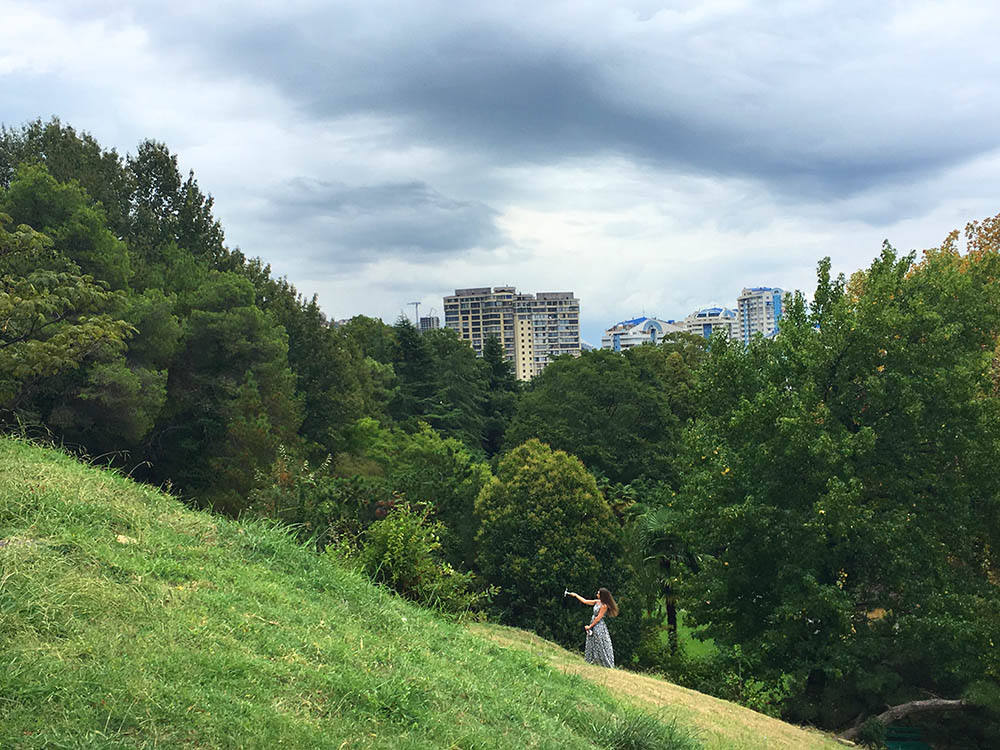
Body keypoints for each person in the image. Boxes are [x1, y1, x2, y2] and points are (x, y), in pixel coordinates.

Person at [567, 588, 618, 668]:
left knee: (600, 643)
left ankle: (603, 662)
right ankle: (591, 659)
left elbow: (598, 618)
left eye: (598, 594)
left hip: (598, 626)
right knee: (592, 641)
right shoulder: (597, 602)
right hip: (593, 623)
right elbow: (585, 601)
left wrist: (590, 626)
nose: (597, 595)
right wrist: (576, 595)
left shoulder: (604, 606)